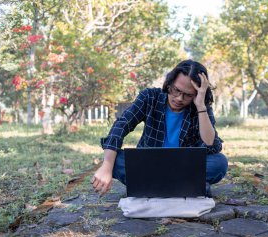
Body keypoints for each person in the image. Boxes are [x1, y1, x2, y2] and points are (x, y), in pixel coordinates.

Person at [92, 59, 228, 196]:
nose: (179, 98)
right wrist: (106, 167)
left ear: (197, 94)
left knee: (219, 162)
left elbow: (211, 145)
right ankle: (185, 187)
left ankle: (153, 187)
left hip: (183, 166)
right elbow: (121, 126)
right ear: (169, 83)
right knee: (114, 160)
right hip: (150, 165)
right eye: (176, 90)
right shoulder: (150, 97)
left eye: (188, 95)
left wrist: (200, 105)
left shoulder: (201, 107)